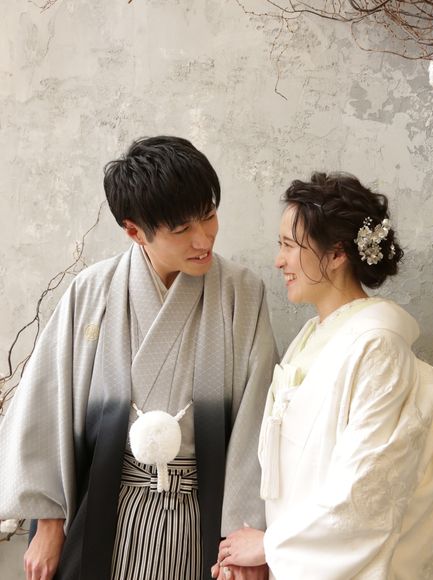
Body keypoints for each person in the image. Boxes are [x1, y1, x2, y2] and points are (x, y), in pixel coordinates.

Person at [0, 136, 277, 580]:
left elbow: (257, 421)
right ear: (134, 231)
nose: (204, 238)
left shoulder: (241, 293)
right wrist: (49, 522)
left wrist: (242, 535)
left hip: (200, 514)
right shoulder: (91, 291)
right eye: (181, 230)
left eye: (208, 216)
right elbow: (45, 404)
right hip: (107, 508)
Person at [213, 172, 433, 579]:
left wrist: (271, 546)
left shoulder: (377, 346)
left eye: (290, 246)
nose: (279, 260)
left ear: (335, 254)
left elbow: (367, 491)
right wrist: (267, 554)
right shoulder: (310, 336)